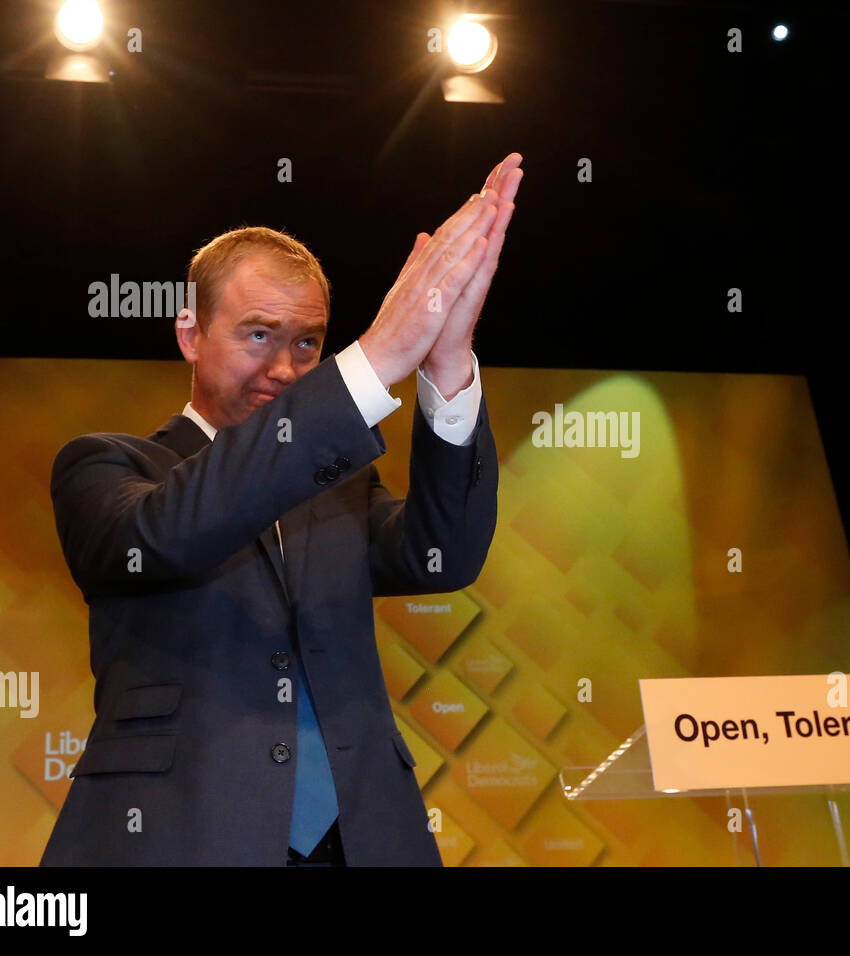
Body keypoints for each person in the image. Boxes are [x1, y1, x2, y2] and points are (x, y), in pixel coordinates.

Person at [39, 154, 523, 866]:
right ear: (190, 335)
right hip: (184, 836)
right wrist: (373, 358)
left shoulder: (339, 487)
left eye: (309, 344)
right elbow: (171, 534)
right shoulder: (107, 469)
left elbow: (442, 555)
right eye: (259, 334)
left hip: (364, 838)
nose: (286, 369)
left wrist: (448, 362)